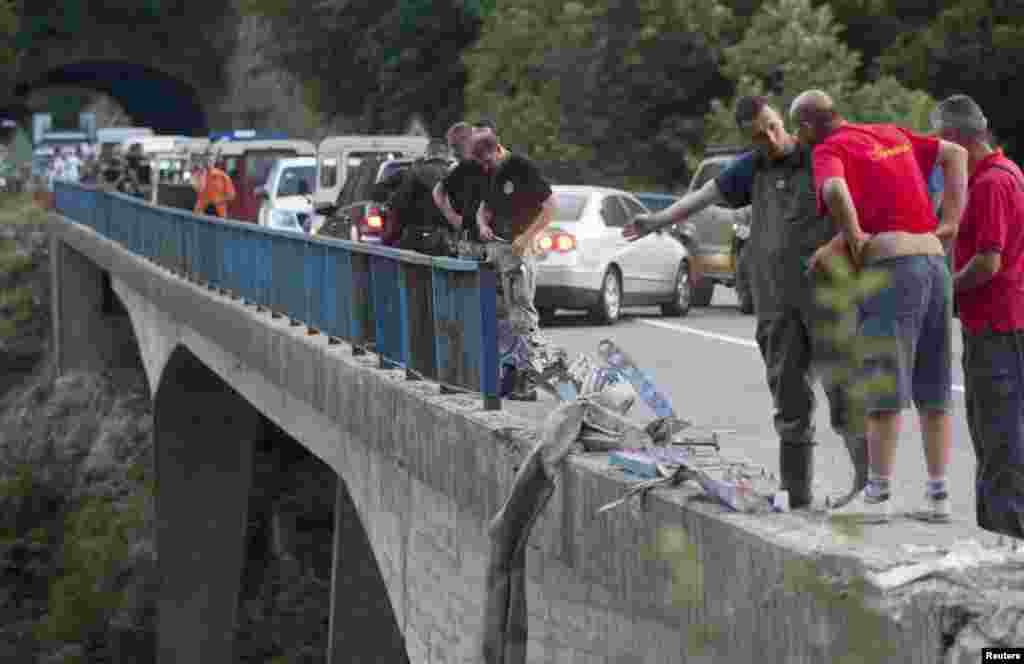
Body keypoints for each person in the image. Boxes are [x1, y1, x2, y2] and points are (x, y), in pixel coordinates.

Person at [623, 95, 867, 510]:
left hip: (828, 297)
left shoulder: (819, 154)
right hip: (776, 301)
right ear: (748, 138)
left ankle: (866, 488)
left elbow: (856, 204)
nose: (771, 138)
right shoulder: (751, 167)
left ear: (781, 120)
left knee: (843, 394)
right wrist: (658, 221)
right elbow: (703, 195)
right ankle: (798, 493)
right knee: (788, 398)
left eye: (773, 126)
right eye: (759, 134)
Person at [792, 89, 968, 523]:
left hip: (893, 271)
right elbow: (957, 154)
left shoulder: (830, 148)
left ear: (808, 126)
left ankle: (880, 496)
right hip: (934, 265)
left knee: (885, 384)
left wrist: (853, 236)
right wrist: (951, 221)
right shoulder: (889, 132)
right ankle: (938, 497)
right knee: (934, 386)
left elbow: (834, 188)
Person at [931, 94, 1024, 538]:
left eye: (940, 143)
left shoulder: (990, 184)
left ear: (957, 139)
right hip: (999, 325)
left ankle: (1005, 553)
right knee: (1000, 442)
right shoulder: (1001, 174)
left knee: (999, 446)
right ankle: (1002, 544)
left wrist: (944, 291)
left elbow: (989, 262)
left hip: (997, 329)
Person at [473, 130, 556, 401]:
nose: (486, 168)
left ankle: (530, 379)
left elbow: (550, 207)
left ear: (497, 149)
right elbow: (483, 209)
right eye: (482, 165)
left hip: (520, 250)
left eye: (488, 162)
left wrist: (527, 236)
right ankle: (510, 377)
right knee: (504, 321)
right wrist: (483, 226)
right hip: (498, 249)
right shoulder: (489, 172)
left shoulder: (521, 167)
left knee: (522, 316)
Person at [385, 141, 453, 253]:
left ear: (427, 154)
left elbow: (399, 206)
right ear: (446, 156)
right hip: (449, 241)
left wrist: (390, 238)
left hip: (416, 238)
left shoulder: (414, 174)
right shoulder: (455, 174)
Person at [433, 121, 489, 250]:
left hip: (495, 240)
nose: (454, 153)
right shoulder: (465, 166)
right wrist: (451, 216)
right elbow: (438, 190)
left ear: (468, 140)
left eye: (456, 146)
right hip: (472, 242)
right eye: (452, 147)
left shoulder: (496, 163)